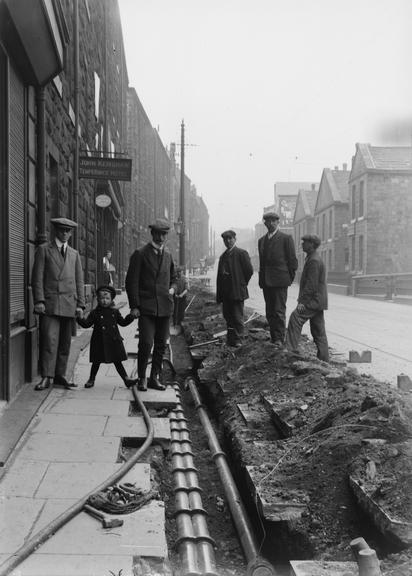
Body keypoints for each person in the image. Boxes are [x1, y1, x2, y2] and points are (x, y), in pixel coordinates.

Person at [32, 217, 85, 390]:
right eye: (62, 230)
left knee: (65, 342)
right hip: (50, 303)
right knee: (49, 340)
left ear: (71, 233)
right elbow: (37, 278)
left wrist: (80, 305)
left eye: (68, 231)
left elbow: (79, 280)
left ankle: (60, 375)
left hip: (69, 304)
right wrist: (39, 300)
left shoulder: (74, 254)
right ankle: (47, 376)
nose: (65, 233)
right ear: (55, 230)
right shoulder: (44, 250)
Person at [125, 218, 177, 391]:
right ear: (152, 234)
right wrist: (134, 306)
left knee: (161, 344)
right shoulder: (140, 254)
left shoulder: (168, 256)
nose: (161, 238)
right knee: (146, 343)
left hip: (164, 307)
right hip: (146, 308)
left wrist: (172, 288)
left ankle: (154, 377)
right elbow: (131, 281)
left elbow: (175, 278)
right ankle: (142, 378)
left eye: (164, 234)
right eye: (158, 234)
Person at [76, 285, 138, 388]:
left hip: (113, 340)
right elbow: (86, 324)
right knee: (96, 362)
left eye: (107, 298)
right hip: (99, 340)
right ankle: (91, 379)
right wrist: (80, 318)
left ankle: (126, 379)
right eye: (102, 298)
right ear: (98, 299)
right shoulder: (95, 313)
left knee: (117, 361)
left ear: (111, 299)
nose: (104, 301)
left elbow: (122, 322)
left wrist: (131, 316)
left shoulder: (114, 311)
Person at [286, 234, 329, 362]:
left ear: (312, 244)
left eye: (305, 242)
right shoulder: (313, 258)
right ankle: (324, 360)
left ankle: (290, 351)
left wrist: (302, 303)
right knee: (318, 331)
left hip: (313, 301)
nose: (302, 244)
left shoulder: (314, 261)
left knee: (295, 318)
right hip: (318, 301)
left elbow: (311, 285)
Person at [258, 211, 298, 347]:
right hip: (266, 282)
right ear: (265, 223)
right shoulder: (261, 241)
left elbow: (292, 261)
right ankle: (273, 337)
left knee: (279, 311)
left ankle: (279, 339)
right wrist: (261, 280)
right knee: (269, 311)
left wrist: (288, 279)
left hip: (280, 282)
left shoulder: (286, 238)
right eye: (267, 222)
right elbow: (262, 264)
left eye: (273, 221)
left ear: (277, 222)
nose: (270, 224)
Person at [216, 230, 254, 347]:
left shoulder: (241, 253)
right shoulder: (223, 257)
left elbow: (249, 271)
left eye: (230, 238)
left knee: (237, 317)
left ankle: (239, 340)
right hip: (226, 293)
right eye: (225, 239)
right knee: (228, 316)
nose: (228, 241)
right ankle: (231, 340)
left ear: (235, 239)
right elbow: (219, 277)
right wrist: (220, 295)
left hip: (237, 291)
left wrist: (241, 284)